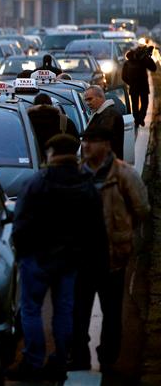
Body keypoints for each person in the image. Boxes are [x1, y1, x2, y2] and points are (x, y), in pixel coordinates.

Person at [7, 134, 106, 382]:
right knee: (63, 312)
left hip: (37, 257)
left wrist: (23, 252)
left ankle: (33, 360)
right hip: (70, 260)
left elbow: (20, 222)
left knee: (31, 310)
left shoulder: (37, 181)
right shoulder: (86, 183)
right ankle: (61, 359)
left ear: (50, 153)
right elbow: (96, 227)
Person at [70, 126, 150, 374]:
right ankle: (79, 356)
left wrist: (122, 232)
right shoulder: (76, 173)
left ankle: (108, 356)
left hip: (112, 255)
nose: (86, 146)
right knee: (78, 311)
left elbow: (141, 209)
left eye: (92, 142)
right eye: (84, 142)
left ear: (106, 145)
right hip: (81, 256)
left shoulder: (123, 174)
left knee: (112, 311)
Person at [27, 93, 80, 160]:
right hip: (58, 163)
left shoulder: (24, 121)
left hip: (30, 162)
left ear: (34, 105)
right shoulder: (64, 121)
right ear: (51, 105)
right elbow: (76, 143)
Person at [83, 85, 124, 159]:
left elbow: (102, 142)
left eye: (90, 99)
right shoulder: (101, 114)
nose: (87, 103)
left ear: (100, 97)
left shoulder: (109, 115)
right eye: (86, 100)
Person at [121, 45, 157, 127]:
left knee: (135, 104)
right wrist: (148, 57)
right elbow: (153, 68)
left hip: (134, 87)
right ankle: (140, 118)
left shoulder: (128, 63)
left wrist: (130, 83)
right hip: (143, 87)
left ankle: (137, 119)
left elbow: (123, 77)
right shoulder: (143, 61)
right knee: (144, 103)